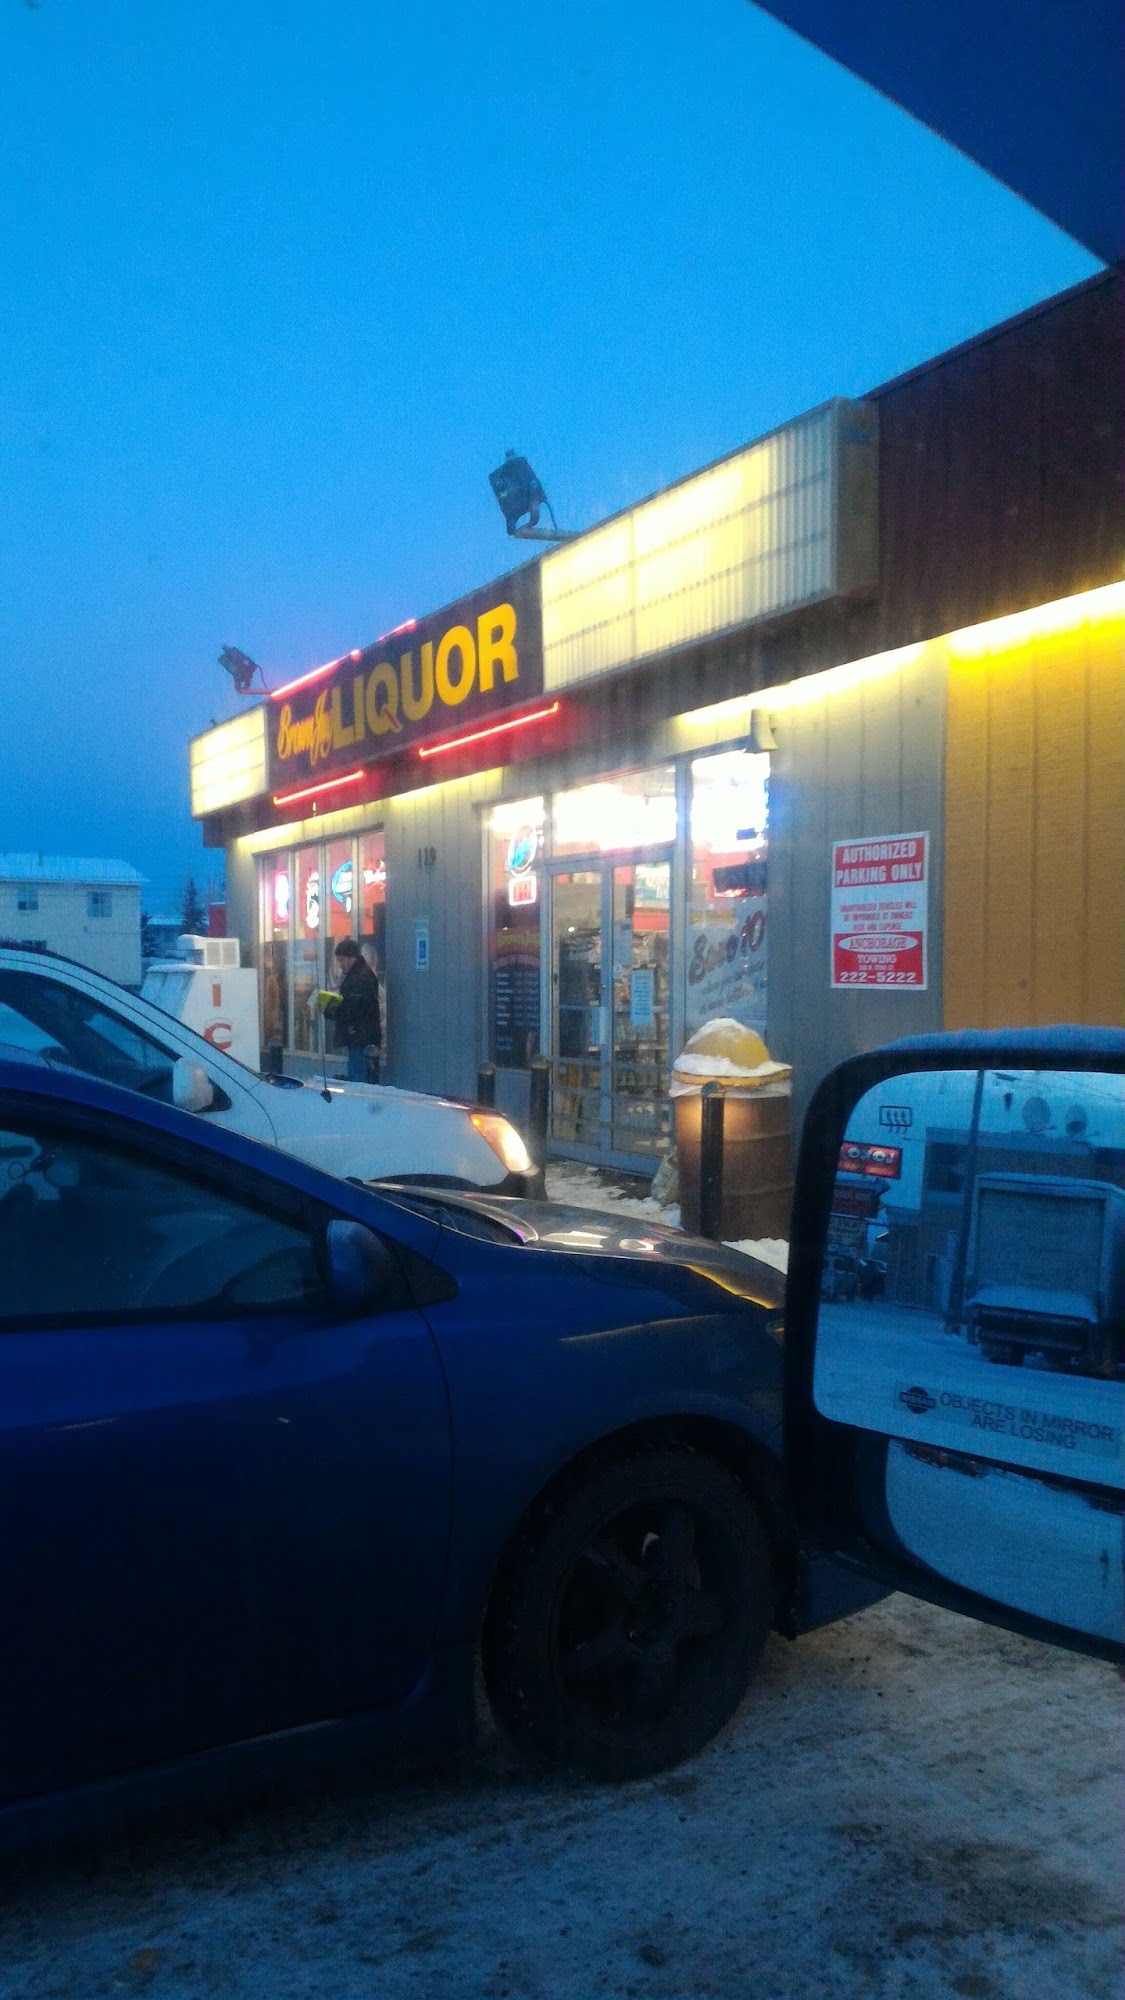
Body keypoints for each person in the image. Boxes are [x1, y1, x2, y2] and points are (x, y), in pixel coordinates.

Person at [327, 938, 381, 1082]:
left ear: (352, 958)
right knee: (358, 1075)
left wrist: (331, 1010)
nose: (340, 965)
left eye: (342, 960)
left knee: (358, 1078)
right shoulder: (360, 975)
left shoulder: (359, 978)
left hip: (359, 1036)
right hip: (361, 1035)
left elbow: (352, 1009)